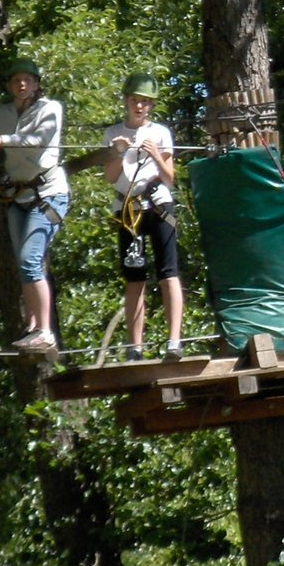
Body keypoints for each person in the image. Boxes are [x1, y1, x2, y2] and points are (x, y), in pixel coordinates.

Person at [0, 57, 70, 351]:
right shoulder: (3, 113)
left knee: (29, 259)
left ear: (36, 84)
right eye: (15, 80)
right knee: (24, 265)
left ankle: (46, 332)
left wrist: (0, 140)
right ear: (10, 86)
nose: (21, 85)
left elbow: (37, 139)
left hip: (49, 193)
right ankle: (34, 327)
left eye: (27, 80)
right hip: (19, 196)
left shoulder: (51, 109)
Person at [102, 73, 185, 361]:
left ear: (151, 106)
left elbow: (170, 177)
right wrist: (115, 153)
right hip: (129, 208)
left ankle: (174, 341)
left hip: (159, 203)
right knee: (134, 276)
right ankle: (135, 346)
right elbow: (112, 178)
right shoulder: (112, 133)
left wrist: (156, 155)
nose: (139, 107)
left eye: (145, 102)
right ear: (127, 101)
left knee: (168, 272)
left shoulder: (161, 133)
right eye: (135, 101)